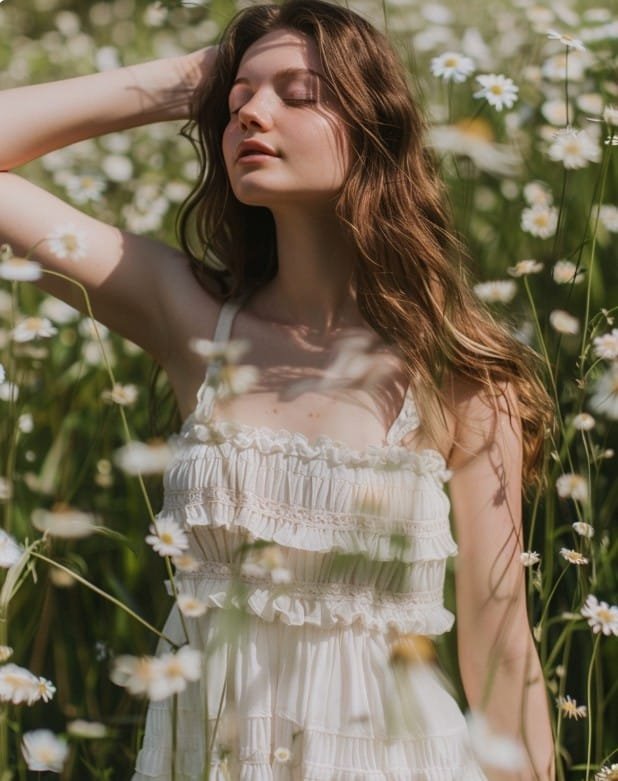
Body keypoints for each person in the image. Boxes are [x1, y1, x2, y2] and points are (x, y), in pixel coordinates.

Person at [0, 0, 556, 778]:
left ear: (374, 126)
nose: (253, 114)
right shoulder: (191, 317)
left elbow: (501, 652)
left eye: (298, 93)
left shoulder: (460, 372)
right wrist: (183, 79)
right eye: (235, 103)